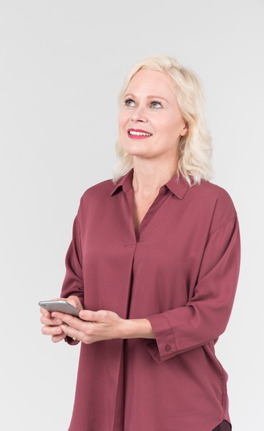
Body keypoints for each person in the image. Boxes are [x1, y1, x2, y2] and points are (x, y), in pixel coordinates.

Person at [40, 55, 240, 431]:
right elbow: (77, 286)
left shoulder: (214, 206)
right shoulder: (94, 202)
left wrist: (126, 328)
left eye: (155, 104)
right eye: (130, 102)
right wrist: (68, 314)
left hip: (182, 412)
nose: (137, 114)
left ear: (185, 124)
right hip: (98, 411)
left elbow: (211, 313)